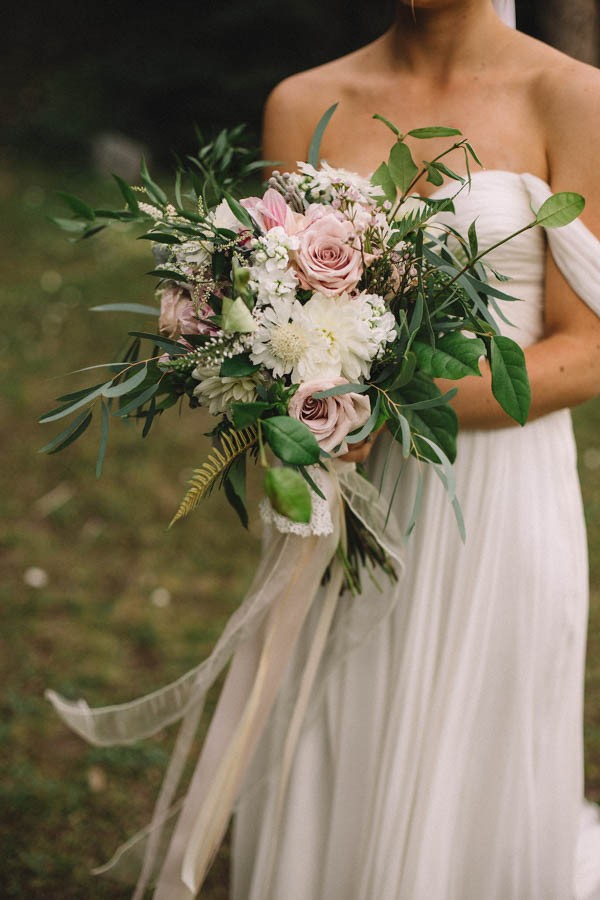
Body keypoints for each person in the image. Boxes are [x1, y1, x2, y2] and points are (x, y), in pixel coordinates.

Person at [230, 1, 600, 898]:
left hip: (500, 502)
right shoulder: (302, 102)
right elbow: (272, 313)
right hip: (343, 491)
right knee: (332, 727)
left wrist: (378, 400)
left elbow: (585, 346)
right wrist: (288, 404)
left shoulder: (573, 97)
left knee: (473, 748)